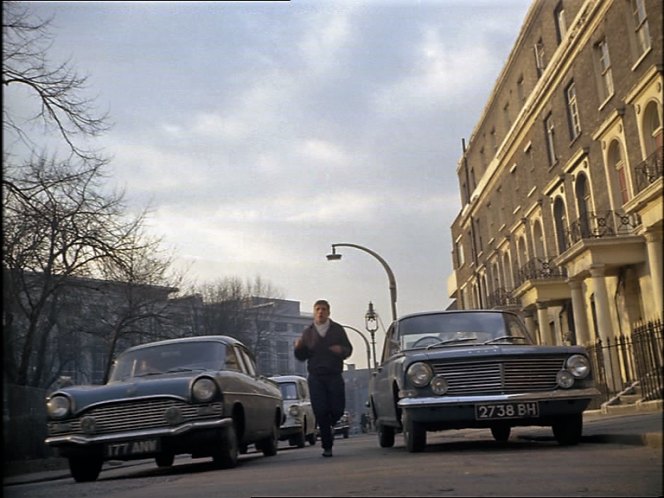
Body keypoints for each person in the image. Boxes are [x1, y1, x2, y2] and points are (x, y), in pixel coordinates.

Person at [294, 299, 352, 457]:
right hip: (316, 376)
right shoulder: (308, 332)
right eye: (318, 309)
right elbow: (302, 356)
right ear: (314, 312)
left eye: (324, 309)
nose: (321, 312)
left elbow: (348, 349)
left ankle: (332, 422)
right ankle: (327, 446)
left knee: (337, 409)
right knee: (320, 411)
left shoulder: (337, 330)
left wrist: (341, 350)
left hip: (334, 374)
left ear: (328, 312)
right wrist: (298, 348)